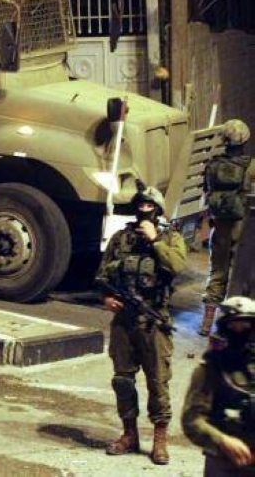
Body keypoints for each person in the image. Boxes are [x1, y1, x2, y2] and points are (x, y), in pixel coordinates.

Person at [97, 183, 187, 465]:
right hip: (124, 320)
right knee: (123, 380)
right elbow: (102, 274)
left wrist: (155, 240)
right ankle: (129, 435)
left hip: (153, 321)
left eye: (149, 206)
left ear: (157, 210)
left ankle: (160, 440)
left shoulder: (170, 238)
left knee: (158, 382)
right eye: (140, 205)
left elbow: (177, 266)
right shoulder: (121, 238)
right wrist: (106, 298)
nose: (143, 210)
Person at [183, 296, 255, 476]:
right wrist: (222, 440)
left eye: (246, 325)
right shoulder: (211, 368)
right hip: (225, 460)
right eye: (234, 326)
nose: (240, 331)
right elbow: (192, 420)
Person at [200, 119, 255, 336]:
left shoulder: (213, 165)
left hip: (220, 226)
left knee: (218, 271)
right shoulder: (252, 166)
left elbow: (207, 191)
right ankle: (237, 323)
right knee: (241, 275)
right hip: (245, 227)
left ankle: (207, 323)